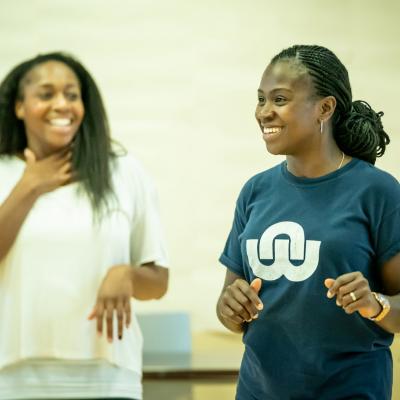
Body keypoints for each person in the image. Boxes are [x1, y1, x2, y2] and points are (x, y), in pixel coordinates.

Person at [216, 44, 400, 400]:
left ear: (325, 108)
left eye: (279, 100)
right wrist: (228, 306)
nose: (264, 113)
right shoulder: (255, 191)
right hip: (257, 391)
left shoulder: (378, 191)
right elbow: (230, 309)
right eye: (261, 100)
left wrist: (374, 303)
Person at [0, 52, 169, 400]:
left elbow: (158, 282)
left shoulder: (123, 171)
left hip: (109, 379)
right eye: (46, 94)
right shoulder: (4, 172)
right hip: (13, 379)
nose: (62, 104)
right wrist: (29, 186)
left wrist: (127, 274)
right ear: (19, 106)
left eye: (72, 95)